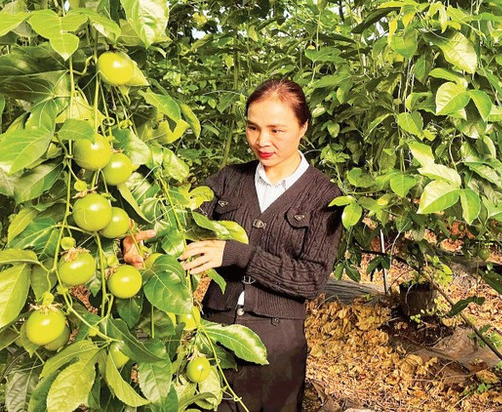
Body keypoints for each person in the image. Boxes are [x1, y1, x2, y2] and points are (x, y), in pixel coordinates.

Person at [124, 79, 344, 411]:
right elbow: (182, 225)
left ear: (303, 127)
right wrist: (143, 246)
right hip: (213, 336)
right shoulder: (229, 179)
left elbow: (310, 279)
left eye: (276, 130)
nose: (261, 141)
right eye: (253, 128)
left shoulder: (324, 196)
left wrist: (236, 253)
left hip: (277, 347)